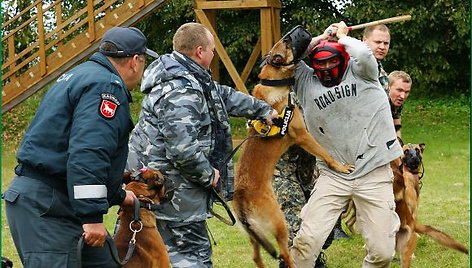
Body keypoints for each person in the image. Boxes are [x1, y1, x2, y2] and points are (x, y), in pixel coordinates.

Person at [3, 26, 158, 267]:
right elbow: (88, 153)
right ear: (135, 61)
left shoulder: (81, 74)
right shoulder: (107, 87)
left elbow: (68, 147)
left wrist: (119, 195)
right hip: (47, 209)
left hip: (59, 201)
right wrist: (92, 217)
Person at [126, 22, 278, 268]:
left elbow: (223, 96)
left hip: (164, 187)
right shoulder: (181, 90)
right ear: (199, 51)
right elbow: (182, 149)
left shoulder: (191, 78)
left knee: (155, 255)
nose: (213, 53)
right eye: (212, 50)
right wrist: (209, 175)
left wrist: (263, 109)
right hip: (172, 192)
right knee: (191, 256)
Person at [289, 22, 402, 267]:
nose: (328, 68)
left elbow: (363, 53)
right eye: (322, 63)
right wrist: (320, 38)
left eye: (333, 62)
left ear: (343, 57)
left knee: (383, 252)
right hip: (333, 174)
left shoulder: (363, 70)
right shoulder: (305, 81)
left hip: (373, 171)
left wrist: (342, 37)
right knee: (306, 243)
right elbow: (284, 56)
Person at [362, 24, 391, 91]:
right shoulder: (353, 67)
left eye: (386, 43)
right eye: (378, 42)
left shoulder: (383, 74)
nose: (382, 47)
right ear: (364, 40)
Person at [387, 70, 412, 138]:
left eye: (406, 92)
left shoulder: (396, 102)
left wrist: (400, 147)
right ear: (388, 87)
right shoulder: (378, 101)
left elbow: (397, 128)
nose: (402, 96)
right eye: (399, 90)